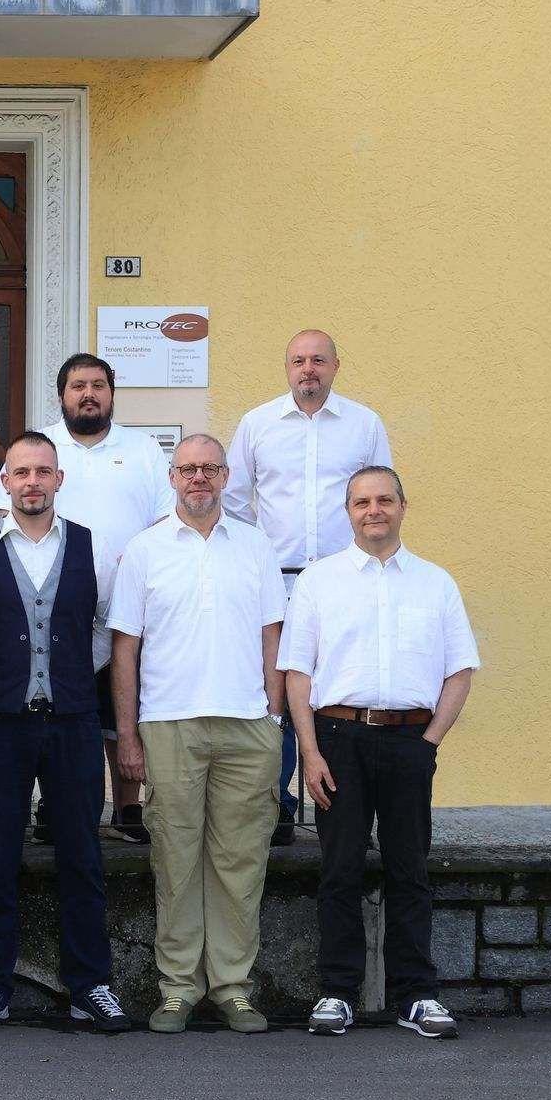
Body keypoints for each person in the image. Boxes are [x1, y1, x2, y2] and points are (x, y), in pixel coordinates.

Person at [279, 466, 478, 1040]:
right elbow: (297, 674)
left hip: (409, 742)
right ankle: (337, 992)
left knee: (409, 870)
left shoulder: (435, 583)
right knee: (339, 869)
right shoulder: (320, 581)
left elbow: (460, 671)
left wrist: (429, 745)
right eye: (362, 502)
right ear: (348, 512)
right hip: (337, 740)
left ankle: (417, 995)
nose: (374, 511)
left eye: (384, 500)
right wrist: (310, 754)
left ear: (402, 506)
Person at [0, 432, 130, 1033]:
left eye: (43, 472)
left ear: (59, 480)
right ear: (5, 481)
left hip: (74, 721)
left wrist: (75, 668)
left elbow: (107, 624)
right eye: (21, 472)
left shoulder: (93, 547)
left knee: (82, 853)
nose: (32, 481)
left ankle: (91, 984)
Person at [109, 435, 286, 1035]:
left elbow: (272, 641)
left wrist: (276, 718)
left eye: (210, 468)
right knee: (175, 862)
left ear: (227, 476)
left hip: (247, 723)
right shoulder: (144, 549)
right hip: (169, 724)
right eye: (188, 469)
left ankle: (234, 987)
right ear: (173, 477)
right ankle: (178, 989)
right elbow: (125, 650)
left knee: (241, 863)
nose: (199, 478)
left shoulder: (256, 546)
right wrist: (128, 736)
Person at [222, 329, 393, 843]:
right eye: (298, 360)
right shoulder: (257, 425)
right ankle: (276, 805)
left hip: (344, 580)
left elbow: (379, 495)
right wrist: (256, 559)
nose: (308, 369)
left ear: (337, 366)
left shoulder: (364, 425)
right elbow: (233, 500)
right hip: (278, 581)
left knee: (334, 689)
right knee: (275, 692)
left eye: (318, 360)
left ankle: (336, 806)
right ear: (287, 367)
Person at [0, 353, 173, 844]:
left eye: (98, 384)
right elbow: (5, 514)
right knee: (59, 713)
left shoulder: (142, 449)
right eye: (78, 385)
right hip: (55, 607)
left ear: (112, 393)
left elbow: (163, 521)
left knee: (122, 711)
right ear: (62, 395)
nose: (88, 394)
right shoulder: (39, 448)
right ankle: (55, 806)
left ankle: (128, 808)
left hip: (128, 603)